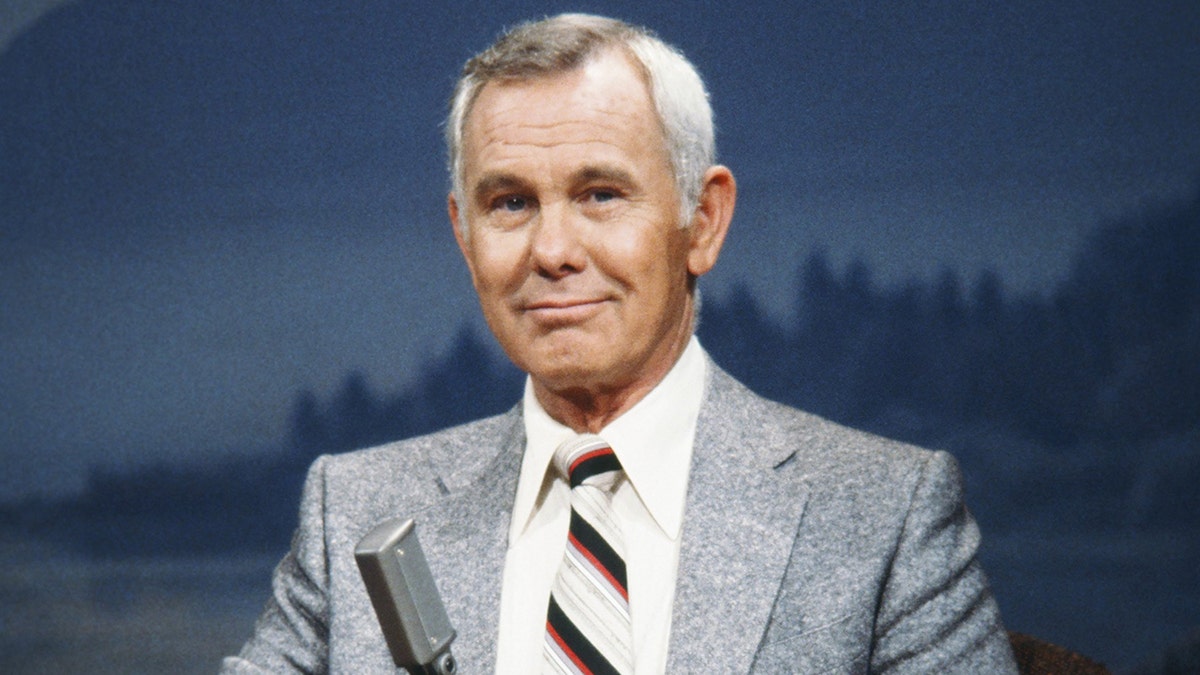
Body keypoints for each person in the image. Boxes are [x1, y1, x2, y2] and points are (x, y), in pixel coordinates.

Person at [223, 13, 1017, 674]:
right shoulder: (356, 512)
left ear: (702, 222)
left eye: (600, 194)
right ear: (463, 235)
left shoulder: (885, 516)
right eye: (509, 203)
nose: (553, 249)